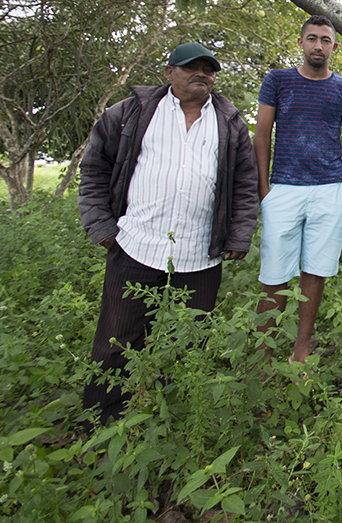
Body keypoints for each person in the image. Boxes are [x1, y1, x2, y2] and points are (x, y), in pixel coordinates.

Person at [78, 42, 258, 426]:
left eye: (208, 70)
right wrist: (102, 227)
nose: (202, 75)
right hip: (136, 246)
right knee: (117, 340)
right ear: (169, 72)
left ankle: (171, 421)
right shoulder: (130, 113)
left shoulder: (229, 123)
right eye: (192, 67)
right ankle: (100, 422)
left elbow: (245, 183)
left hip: (200, 255)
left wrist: (239, 236)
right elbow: (93, 169)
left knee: (189, 342)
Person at [253, 15, 342, 370]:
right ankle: (263, 354)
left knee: (314, 272)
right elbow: (262, 134)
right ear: (301, 43)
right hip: (284, 188)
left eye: (325, 40)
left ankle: (301, 347)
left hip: (329, 190)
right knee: (274, 274)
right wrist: (265, 189)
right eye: (312, 38)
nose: (318, 45)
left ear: (333, 46)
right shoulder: (278, 80)